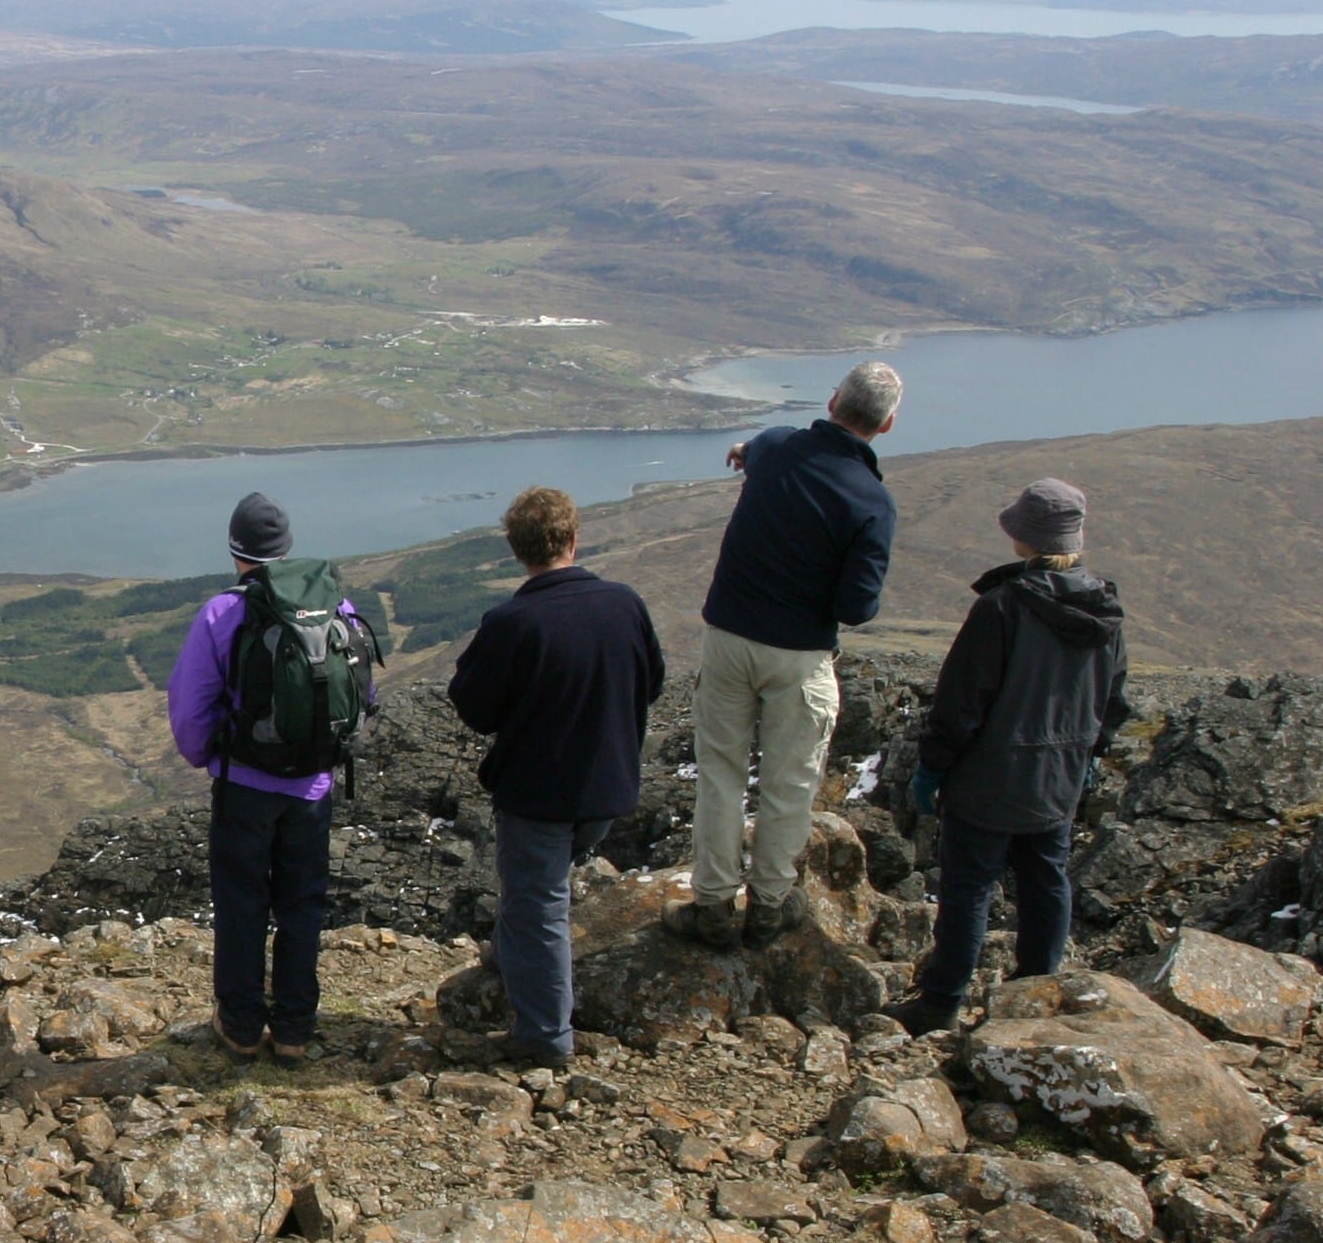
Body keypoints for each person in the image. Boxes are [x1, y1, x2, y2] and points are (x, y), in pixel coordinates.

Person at [666, 359, 902, 951]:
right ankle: (769, 907)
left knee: (720, 773)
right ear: (887, 425)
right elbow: (857, 607)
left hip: (728, 637)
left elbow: (758, 447)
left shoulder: (776, 447)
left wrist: (745, 451)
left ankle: (713, 905)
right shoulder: (871, 503)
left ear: (831, 400)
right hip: (798, 655)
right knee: (789, 782)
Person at [886, 481, 1128, 1036]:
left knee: (968, 889)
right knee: (1046, 882)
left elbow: (961, 702)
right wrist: (1091, 755)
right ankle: (1036, 991)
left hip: (990, 781)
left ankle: (941, 1002)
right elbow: (1114, 699)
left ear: (1024, 537)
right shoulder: (1105, 610)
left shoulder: (1003, 607)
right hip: (1059, 783)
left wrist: (933, 767)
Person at [447, 487, 666, 1069]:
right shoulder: (625, 603)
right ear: (574, 539)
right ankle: (519, 962)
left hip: (538, 794)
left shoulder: (512, 621)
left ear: (517, 551)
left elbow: (473, 706)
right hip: (608, 790)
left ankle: (545, 1036)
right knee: (537, 894)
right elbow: (654, 680)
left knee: (540, 902)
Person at [167, 492, 376, 1060]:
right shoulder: (339, 607)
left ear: (236, 550)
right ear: (286, 548)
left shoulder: (222, 612)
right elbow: (360, 693)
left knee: (242, 904)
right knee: (302, 903)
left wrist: (208, 756)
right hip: (313, 787)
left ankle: (238, 1026)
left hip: (245, 786)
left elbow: (190, 709)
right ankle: (294, 1031)